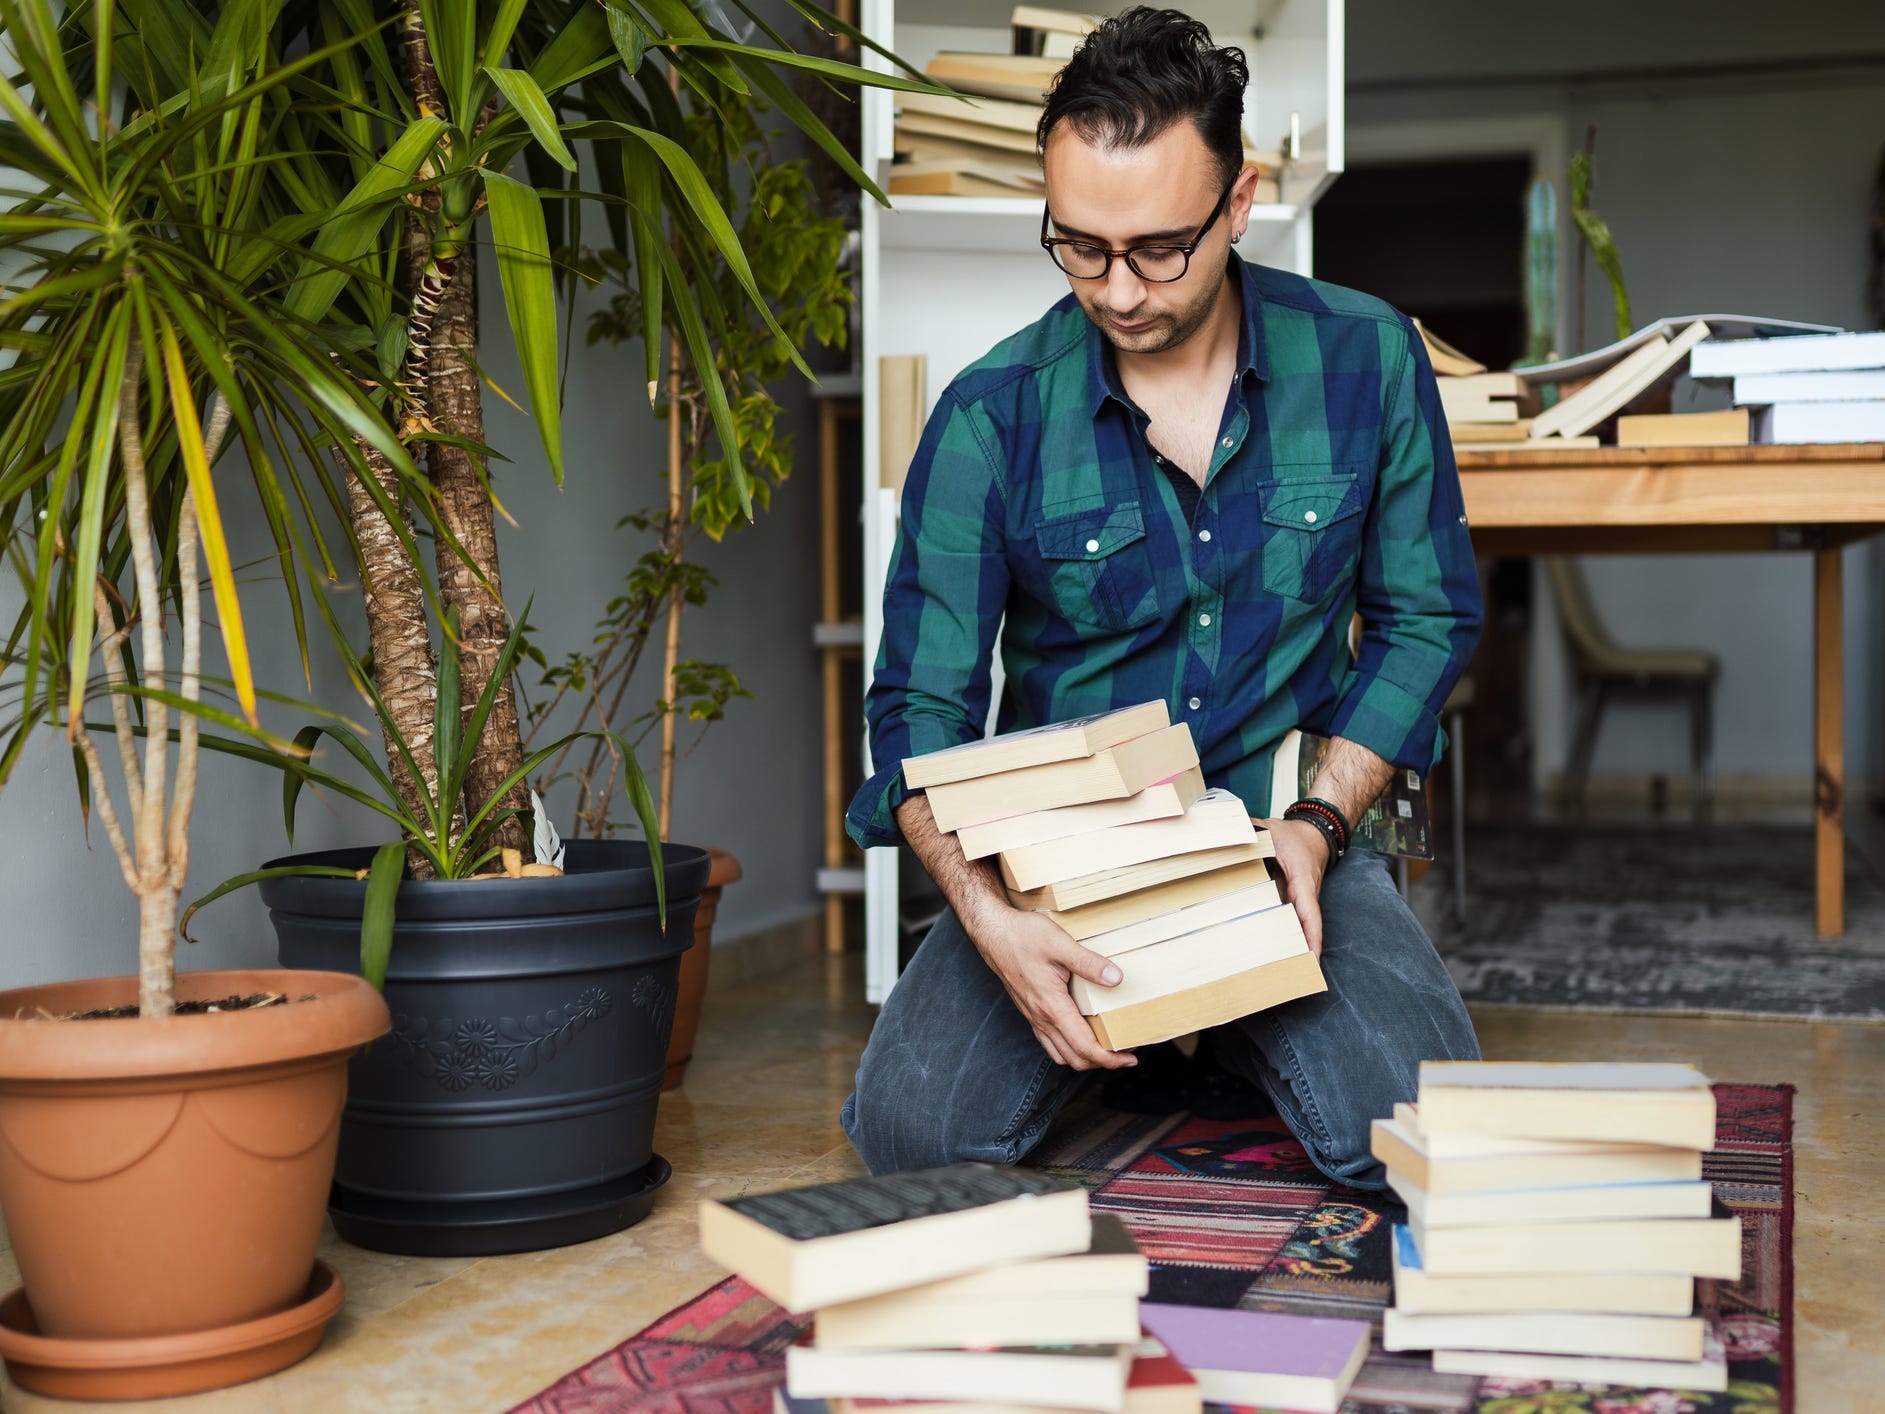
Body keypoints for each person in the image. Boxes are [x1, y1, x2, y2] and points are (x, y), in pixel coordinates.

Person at [840, 6, 1482, 1189]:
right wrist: (989, 919)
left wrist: (1319, 823)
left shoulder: (1368, 359)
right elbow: (914, 711)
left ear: (1238, 204)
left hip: (1287, 839)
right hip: (1058, 869)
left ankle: (1223, 1025)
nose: (1118, 289)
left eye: (1157, 250)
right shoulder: (991, 413)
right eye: (1078, 246)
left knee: (1413, 1141)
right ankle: (1189, 1019)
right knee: (913, 1137)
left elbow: (1425, 618)